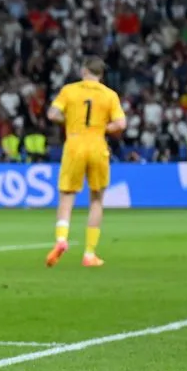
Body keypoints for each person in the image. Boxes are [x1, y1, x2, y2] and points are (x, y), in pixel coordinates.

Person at [45, 57, 126, 268]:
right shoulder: (109, 95)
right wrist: (101, 128)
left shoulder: (69, 90)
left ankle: (61, 240)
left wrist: (70, 120)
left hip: (74, 144)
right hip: (98, 146)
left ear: (84, 71)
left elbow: (52, 114)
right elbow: (121, 123)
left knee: (66, 196)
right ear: (101, 74)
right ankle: (89, 254)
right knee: (97, 199)